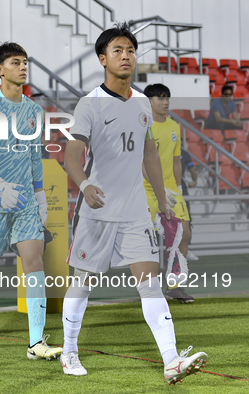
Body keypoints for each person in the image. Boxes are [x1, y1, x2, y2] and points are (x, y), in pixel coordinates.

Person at [61, 23, 207, 384]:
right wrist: (84, 185)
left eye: (130, 50)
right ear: (102, 59)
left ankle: (171, 360)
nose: (126, 56)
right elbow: (72, 155)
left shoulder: (142, 102)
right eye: (117, 51)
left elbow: (149, 154)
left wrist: (161, 198)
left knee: (150, 284)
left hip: (135, 212)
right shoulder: (89, 103)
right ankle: (68, 351)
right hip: (96, 212)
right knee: (82, 283)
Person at [0, 42, 62, 360]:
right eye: (15, 62)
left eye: (25, 62)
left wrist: (39, 196)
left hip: (25, 204)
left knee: (34, 262)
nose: (23, 67)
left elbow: (35, 156)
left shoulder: (34, 110)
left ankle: (36, 342)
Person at [142, 83, 194, 303]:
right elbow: (142, 161)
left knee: (184, 234)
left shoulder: (174, 126)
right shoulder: (143, 125)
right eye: (159, 98)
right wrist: (155, 187)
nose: (165, 102)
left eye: (167, 98)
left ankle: (175, 286)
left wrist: (178, 189)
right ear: (148, 102)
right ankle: (148, 288)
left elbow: (176, 161)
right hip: (146, 190)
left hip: (171, 190)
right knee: (147, 241)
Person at [180, 148, 199, 261]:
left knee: (187, 220)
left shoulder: (184, 153)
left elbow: (192, 171)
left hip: (181, 190)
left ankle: (186, 249)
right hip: (165, 189)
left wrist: (194, 181)